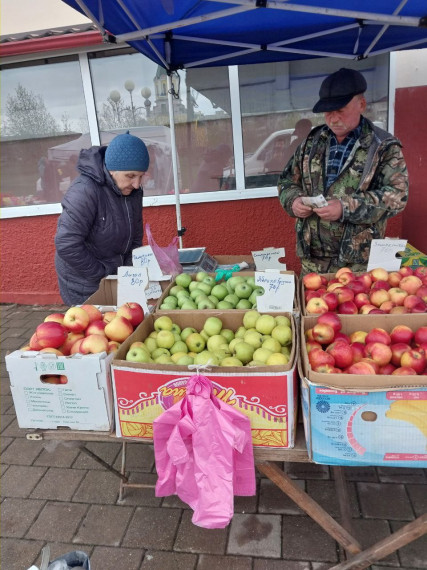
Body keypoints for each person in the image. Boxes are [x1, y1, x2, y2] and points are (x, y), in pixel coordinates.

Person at [278, 68, 408, 275]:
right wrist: (293, 201)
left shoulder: (382, 146)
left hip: (358, 266)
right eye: (328, 112)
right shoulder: (311, 143)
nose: (333, 119)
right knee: (309, 307)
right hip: (313, 261)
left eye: (340, 110)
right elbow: (286, 181)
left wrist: (345, 207)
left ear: (361, 105)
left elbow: (398, 197)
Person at [54, 131, 149, 305]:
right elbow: (67, 244)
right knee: (94, 329)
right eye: (131, 176)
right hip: (84, 281)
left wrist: (127, 272)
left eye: (141, 176)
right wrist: (102, 274)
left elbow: (135, 237)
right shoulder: (84, 191)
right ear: (112, 169)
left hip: (114, 275)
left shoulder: (134, 191)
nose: (137, 184)